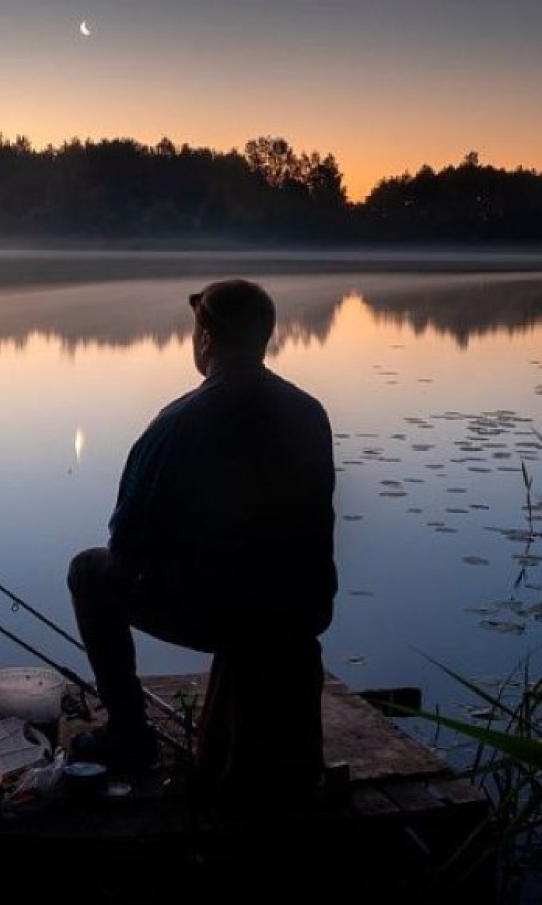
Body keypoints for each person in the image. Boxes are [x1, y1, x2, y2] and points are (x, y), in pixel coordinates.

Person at [66, 278, 337, 819]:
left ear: (206, 338)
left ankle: (129, 732)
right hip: (299, 615)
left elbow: (126, 545)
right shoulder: (310, 413)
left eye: (195, 331)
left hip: (221, 616)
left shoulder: (177, 423)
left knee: (89, 572)